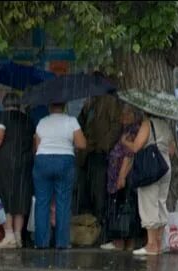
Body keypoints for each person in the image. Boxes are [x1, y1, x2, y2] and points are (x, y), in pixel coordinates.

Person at [0, 92, 35, 248]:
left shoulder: (2, 116)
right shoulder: (28, 120)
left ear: (4, 104)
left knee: (5, 197)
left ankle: (8, 235)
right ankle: (18, 236)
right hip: (24, 163)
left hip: (4, 163)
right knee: (20, 197)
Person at [32, 102, 86, 249]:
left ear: (49, 107)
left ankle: (41, 242)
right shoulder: (71, 121)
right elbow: (82, 144)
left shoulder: (42, 122)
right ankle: (62, 242)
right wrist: (67, 143)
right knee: (63, 202)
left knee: (42, 202)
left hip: (43, 160)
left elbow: (37, 146)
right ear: (65, 106)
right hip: (64, 161)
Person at [122, 112, 175, 256]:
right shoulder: (166, 125)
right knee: (161, 202)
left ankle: (151, 245)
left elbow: (136, 147)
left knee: (148, 202)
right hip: (165, 165)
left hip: (151, 166)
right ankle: (160, 242)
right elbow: (172, 150)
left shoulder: (147, 124)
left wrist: (125, 141)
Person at [101, 104, 143, 251]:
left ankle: (121, 242)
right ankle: (126, 242)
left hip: (125, 175)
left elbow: (128, 156)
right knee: (125, 207)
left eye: (126, 114)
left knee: (123, 207)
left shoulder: (133, 131)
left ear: (134, 115)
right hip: (122, 175)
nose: (122, 117)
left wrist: (121, 176)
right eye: (122, 114)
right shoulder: (127, 129)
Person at [76, 91, 122, 224]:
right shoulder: (89, 104)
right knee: (85, 190)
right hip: (86, 153)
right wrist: (84, 111)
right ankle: (89, 223)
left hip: (99, 153)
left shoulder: (109, 102)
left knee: (99, 191)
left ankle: (101, 223)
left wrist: (103, 145)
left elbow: (115, 127)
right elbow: (80, 126)